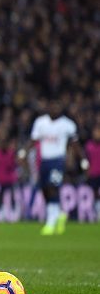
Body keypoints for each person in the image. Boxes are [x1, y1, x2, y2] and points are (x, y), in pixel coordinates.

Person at [18, 100, 88, 235]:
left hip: (58, 161)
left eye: (58, 107)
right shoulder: (40, 122)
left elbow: (75, 144)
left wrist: (83, 160)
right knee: (44, 190)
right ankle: (59, 214)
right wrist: (23, 152)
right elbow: (33, 140)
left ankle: (50, 222)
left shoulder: (67, 124)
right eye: (53, 106)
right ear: (48, 107)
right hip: (44, 161)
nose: (55, 109)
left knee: (52, 187)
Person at [84, 125, 100, 220]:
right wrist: (86, 171)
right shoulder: (88, 146)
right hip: (93, 173)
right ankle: (96, 212)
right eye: (96, 132)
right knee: (94, 194)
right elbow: (86, 160)